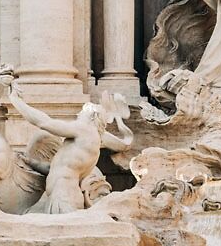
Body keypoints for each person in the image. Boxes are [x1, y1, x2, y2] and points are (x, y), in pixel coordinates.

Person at [8, 86, 133, 214]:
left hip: (64, 196)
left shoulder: (84, 129)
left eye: (82, 112)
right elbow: (57, 168)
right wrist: (31, 163)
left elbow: (44, 123)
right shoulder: (91, 140)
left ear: (91, 116)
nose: (78, 115)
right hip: (64, 195)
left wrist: (16, 101)